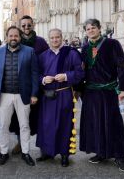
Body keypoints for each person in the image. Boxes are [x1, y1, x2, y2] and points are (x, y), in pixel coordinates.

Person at [79, 19, 124, 173]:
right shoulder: (85, 47)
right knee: (95, 123)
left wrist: (123, 89)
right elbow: (83, 70)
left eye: (93, 28)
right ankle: (101, 152)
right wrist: (79, 89)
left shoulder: (112, 44)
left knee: (113, 123)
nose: (91, 30)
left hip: (108, 91)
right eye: (88, 29)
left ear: (100, 29)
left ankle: (119, 157)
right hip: (91, 92)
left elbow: (121, 66)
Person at [0, 26, 39, 166]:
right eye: (10, 36)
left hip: (22, 95)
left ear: (20, 37)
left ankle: (25, 152)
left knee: (24, 126)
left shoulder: (29, 51)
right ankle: (4, 152)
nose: (13, 38)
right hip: (4, 95)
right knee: (3, 126)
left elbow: (34, 74)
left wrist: (34, 94)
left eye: (16, 36)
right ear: (6, 37)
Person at [36, 28, 84, 167]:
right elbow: (36, 75)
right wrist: (44, 79)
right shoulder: (43, 56)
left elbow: (80, 73)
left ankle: (64, 154)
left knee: (65, 124)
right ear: (48, 39)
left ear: (61, 37)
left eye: (57, 37)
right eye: (52, 38)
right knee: (46, 125)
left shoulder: (71, 53)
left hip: (64, 94)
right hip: (47, 96)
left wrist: (66, 76)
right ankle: (46, 152)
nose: (55, 40)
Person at [10, 15, 49, 154]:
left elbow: (47, 61)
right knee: (19, 117)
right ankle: (20, 144)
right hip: (20, 86)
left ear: (33, 25)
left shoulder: (41, 42)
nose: (26, 27)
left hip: (38, 83)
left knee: (39, 116)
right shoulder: (15, 41)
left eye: (29, 25)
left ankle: (43, 147)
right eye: (23, 25)